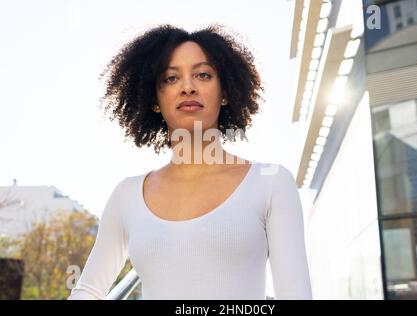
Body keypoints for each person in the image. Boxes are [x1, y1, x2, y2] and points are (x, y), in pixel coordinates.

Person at [68, 24, 312, 300]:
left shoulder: (271, 183)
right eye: (171, 78)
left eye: (203, 75)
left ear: (226, 92)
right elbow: (87, 291)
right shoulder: (126, 196)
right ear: (154, 100)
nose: (187, 87)